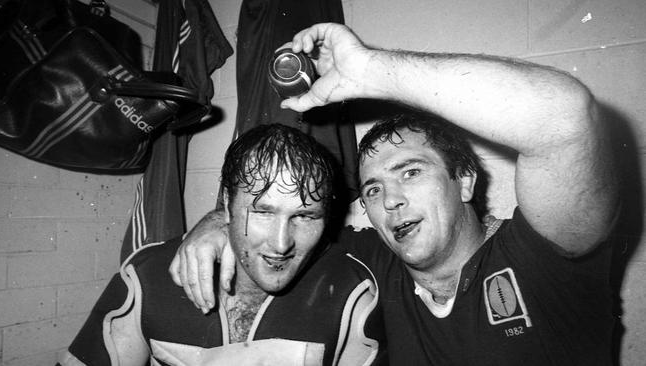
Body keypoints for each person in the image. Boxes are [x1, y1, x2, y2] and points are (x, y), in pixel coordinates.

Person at [170, 22, 620, 365]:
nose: (390, 201)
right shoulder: (375, 262)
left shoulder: (543, 254)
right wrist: (219, 221)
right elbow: (286, 223)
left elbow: (565, 119)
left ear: (464, 180)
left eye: (410, 172)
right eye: (372, 189)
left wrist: (371, 71)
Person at [60, 124, 385, 366]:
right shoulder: (148, 277)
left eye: (305, 216)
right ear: (226, 204)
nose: (282, 242)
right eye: (262, 211)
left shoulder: (351, 291)